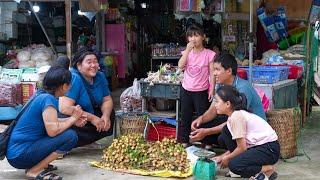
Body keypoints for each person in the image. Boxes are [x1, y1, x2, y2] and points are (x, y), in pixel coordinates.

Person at [6, 66, 85, 179]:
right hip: (20, 155)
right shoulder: (48, 99)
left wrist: (72, 120)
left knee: (67, 131)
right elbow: (53, 131)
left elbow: (49, 122)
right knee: (70, 136)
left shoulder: (41, 95)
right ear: (63, 86)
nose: (71, 87)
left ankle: (37, 165)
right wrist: (73, 118)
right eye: (69, 84)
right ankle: (34, 170)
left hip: (16, 153)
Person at [190, 53, 266, 146]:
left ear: (229, 71)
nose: (214, 73)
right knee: (200, 124)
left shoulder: (243, 88)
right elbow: (212, 110)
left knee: (224, 136)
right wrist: (200, 119)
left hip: (253, 128)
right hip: (236, 120)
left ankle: (237, 152)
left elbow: (237, 120)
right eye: (214, 70)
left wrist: (207, 132)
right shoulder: (221, 86)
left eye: (217, 69)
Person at [213, 85, 279, 179]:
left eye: (217, 101)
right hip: (261, 147)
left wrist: (227, 158)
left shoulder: (236, 116)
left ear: (227, 104)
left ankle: (268, 169)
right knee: (226, 131)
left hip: (269, 149)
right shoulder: (233, 116)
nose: (215, 104)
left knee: (234, 165)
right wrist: (222, 157)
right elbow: (241, 145)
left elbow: (242, 148)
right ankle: (250, 168)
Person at [59, 49, 115, 147]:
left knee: (110, 113)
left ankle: (88, 141)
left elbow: (107, 99)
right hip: (67, 115)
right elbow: (65, 108)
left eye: (95, 61)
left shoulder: (100, 76)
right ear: (79, 65)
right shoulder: (74, 78)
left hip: (86, 112)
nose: (93, 65)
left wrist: (105, 116)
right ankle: (62, 144)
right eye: (89, 62)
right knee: (71, 122)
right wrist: (93, 118)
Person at [177, 24, 216, 145]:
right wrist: (187, 51)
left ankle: (207, 143)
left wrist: (212, 89)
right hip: (186, 89)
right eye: (190, 36)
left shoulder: (209, 54)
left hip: (202, 90)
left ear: (203, 37)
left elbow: (212, 73)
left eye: (196, 35)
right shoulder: (186, 52)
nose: (193, 39)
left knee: (204, 117)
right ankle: (184, 141)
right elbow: (180, 66)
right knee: (185, 117)